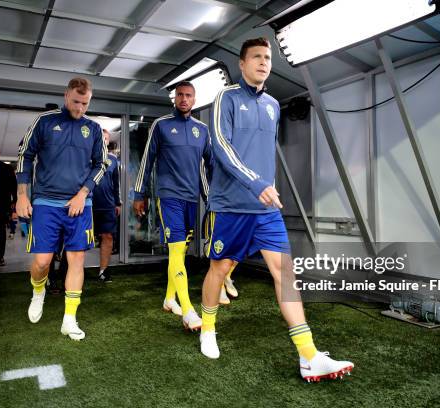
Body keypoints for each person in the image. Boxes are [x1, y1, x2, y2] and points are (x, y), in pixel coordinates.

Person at [199, 37, 354, 382]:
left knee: (285, 276)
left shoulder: (272, 104)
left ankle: (308, 355)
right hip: (232, 206)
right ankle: (208, 327)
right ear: (242, 64)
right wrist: (257, 184)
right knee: (219, 270)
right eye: (256, 57)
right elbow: (222, 149)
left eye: (268, 57)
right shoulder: (226, 98)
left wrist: (265, 188)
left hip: (266, 210)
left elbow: (263, 153)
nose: (263, 62)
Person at [16, 77, 108, 341]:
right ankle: (38, 291)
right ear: (66, 95)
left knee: (76, 259)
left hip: (79, 204)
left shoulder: (93, 128)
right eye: (76, 101)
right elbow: (25, 155)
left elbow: (101, 165)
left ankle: (69, 319)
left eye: (85, 103)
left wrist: (83, 193)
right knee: (43, 262)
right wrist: (22, 195)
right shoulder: (45, 121)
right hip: (45, 201)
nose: (80, 108)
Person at [133, 81, 211, 331]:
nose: (184, 99)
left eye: (188, 95)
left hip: (191, 199)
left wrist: (211, 199)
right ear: (174, 99)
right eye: (180, 95)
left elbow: (208, 166)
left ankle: (169, 298)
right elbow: (147, 160)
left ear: (194, 100)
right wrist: (139, 193)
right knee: (176, 249)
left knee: (180, 253)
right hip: (168, 197)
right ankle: (188, 311)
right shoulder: (161, 125)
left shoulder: (202, 130)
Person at [92, 131, 122, 283]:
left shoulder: (113, 159)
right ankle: (73, 271)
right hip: (87, 204)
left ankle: (103, 271)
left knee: (108, 236)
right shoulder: (86, 155)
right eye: (101, 137)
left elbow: (116, 183)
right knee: (81, 239)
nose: (104, 140)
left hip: (107, 204)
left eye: (106, 138)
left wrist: (118, 202)